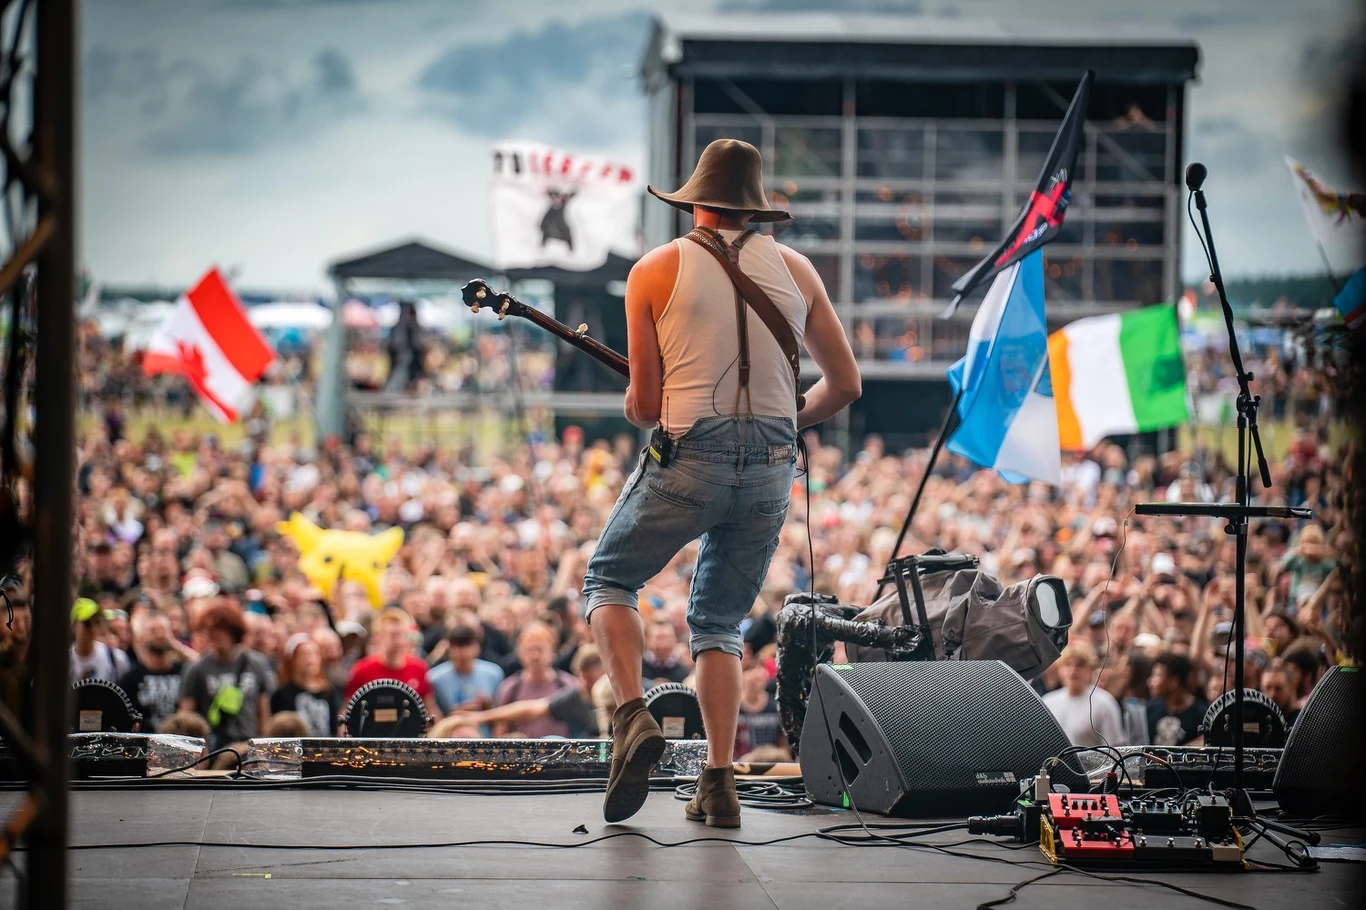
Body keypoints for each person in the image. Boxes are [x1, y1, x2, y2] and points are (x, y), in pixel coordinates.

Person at [581, 138, 860, 827]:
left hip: (690, 454)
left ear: (696, 201)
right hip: (769, 465)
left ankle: (630, 715)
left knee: (609, 581)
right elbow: (846, 384)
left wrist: (643, 398)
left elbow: (645, 408)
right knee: (717, 624)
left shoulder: (654, 269)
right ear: (756, 208)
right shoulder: (798, 271)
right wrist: (787, 419)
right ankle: (719, 781)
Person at [448, 645, 605, 738]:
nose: (585, 685)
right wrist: (480, 717)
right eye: (581, 678)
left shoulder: (616, 693)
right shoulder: (576, 695)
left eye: (590, 680)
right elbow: (530, 709)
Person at [178, 600, 274, 750]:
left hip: (247, 746)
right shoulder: (196, 668)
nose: (211, 634)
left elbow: (263, 711)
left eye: (217, 629)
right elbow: (186, 716)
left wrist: (262, 749)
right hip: (213, 748)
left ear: (233, 630)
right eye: (208, 629)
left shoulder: (256, 663)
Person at [343, 607, 441, 720]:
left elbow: (430, 708)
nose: (400, 641)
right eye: (393, 635)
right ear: (378, 637)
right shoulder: (361, 670)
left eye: (403, 635)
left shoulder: (419, 667)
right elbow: (347, 709)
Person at [492, 622, 577, 737]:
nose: (535, 656)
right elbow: (500, 731)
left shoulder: (568, 685)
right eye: (530, 650)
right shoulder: (510, 688)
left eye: (540, 649)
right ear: (520, 654)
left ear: (552, 652)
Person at [1042, 644, 1127, 747]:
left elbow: (1114, 748)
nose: (1073, 671)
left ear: (1090, 670)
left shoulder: (1105, 703)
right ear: (1060, 670)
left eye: (1080, 665)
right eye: (1068, 665)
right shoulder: (1047, 701)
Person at [117, 608, 186, 731]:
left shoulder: (184, 671)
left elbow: (203, 669)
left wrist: (177, 646)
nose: (159, 635)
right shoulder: (131, 679)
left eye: (163, 630)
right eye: (153, 631)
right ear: (141, 637)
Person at [426, 624, 504, 718]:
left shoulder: (494, 674)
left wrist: (487, 705)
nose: (461, 653)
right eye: (457, 646)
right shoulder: (434, 678)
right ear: (448, 649)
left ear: (477, 647)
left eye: (466, 646)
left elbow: (502, 712)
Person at [270, 634, 341, 736]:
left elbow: (334, 729)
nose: (310, 659)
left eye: (315, 654)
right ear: (293, 659)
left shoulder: (329, 692)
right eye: (304, 654)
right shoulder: (282, 695)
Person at [1146, 652, 1207, 746]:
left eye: (1157, 676)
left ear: (1174, 682)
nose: (1150, 682)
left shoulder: (1202, 714)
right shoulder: (1151, 709)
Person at [70, 598, 130, 684]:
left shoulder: (116, 658)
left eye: (97, 622)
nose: (93, 628)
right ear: (74, 626)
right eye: (87, 624)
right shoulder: (62, 662)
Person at [641, 619, 688, 687]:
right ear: (647, 639)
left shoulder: (685, 672)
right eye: (658, 638)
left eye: (667, 637)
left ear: (675, 639)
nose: (663, 644)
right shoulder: (639, 669)